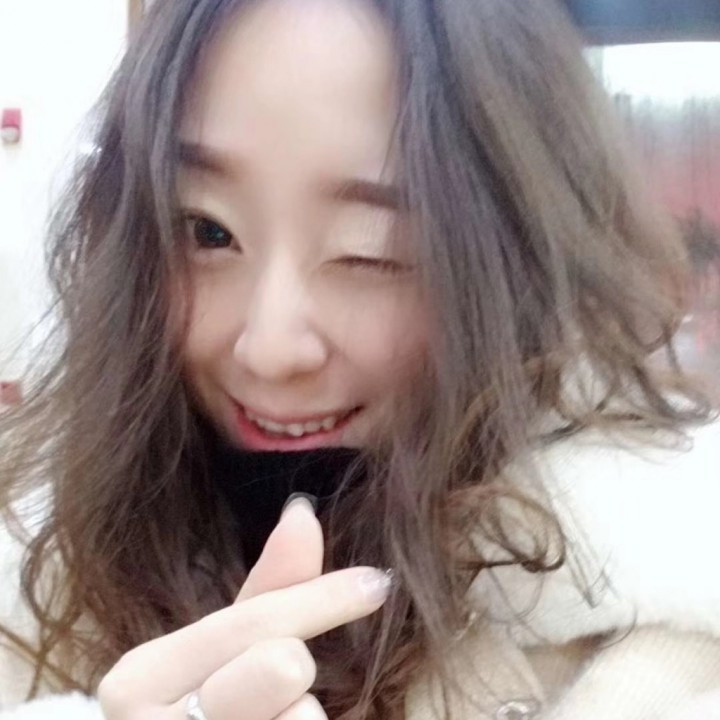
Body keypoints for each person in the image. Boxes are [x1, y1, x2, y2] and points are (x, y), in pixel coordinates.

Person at [1, 0, 720, 718]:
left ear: (528, 265)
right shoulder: (41, 580)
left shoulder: (668, 632)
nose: (270, 348)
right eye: (206, 231)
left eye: (372, 251)